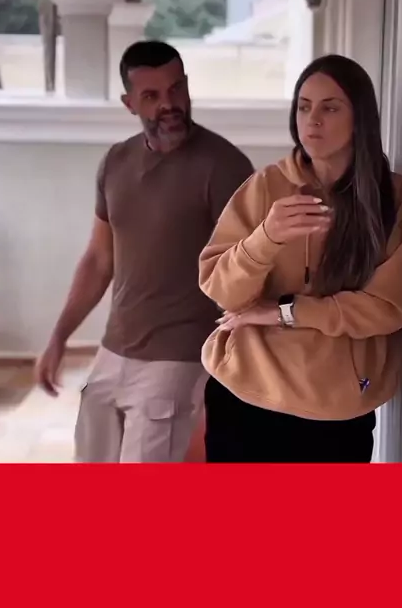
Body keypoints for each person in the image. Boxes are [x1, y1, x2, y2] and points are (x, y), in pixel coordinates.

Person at [35, 40, 254, 462]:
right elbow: (99, 259)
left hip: (178, 358)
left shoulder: (224, 166)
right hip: (114, 350)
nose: (168, 104)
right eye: (151, 96)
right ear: (129, 103)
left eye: (176, 89)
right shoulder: (115, 163)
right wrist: (58, 336)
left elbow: (246, 268)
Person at [197, 54, 402, 463]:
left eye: (330, 108)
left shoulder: (393, 197)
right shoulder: (266, 186)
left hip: (337, 409)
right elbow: (222, 291)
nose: (312, 120)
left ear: (360, 119)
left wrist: (284, 311)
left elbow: (387, 308)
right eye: (303, 107)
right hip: (246, 395)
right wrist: (266, 238)